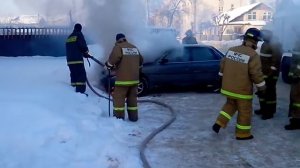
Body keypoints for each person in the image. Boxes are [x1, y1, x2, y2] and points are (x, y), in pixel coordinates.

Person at [212, 28, 266, 140]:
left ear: (245, 38)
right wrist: (262, 88)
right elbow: (256, 74)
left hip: (228, 88)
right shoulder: (253, 55)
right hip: (243, 91)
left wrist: (220, 80)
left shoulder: (231, 50)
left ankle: (219, 123)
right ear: (255, 41)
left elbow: (222, 67)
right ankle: (243, 134)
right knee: (245, 111)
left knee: (230, 105)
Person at [105, 33, 143, 122]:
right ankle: (133, 118)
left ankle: (119, 119)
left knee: (119, 99)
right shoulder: (134, 47)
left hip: (123, 80)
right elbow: (141, 61)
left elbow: (112, 60)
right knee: (132, 100)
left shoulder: (118, 47)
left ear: (117, 40)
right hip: (134, 80)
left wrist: (108, 65)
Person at [254, 29, 283, 120]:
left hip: (271, 75)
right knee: (262, 92)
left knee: (269, 93)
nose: (262, 37)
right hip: (264, 73)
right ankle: (263, 109)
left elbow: (276, 61)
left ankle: (269, 112)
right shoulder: (265, 44)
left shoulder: (275, 45)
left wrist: (270, 74)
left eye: (264, 36)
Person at [65, 23, 91, 95]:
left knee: (74, 74)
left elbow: (73, 47)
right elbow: (82, 45)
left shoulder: (69, 37)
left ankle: (73, 90)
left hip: (70, 60)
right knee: (81, 75)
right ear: (80, 29)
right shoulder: (79, 35)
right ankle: (80, 92)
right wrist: (85, 52)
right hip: (77, 60)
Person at [285, 38, 300, 130]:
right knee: (295, 99)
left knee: (297, 99)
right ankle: (295, 118)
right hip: (296, 77)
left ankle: (297, 121)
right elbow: (294, 62)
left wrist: (297, 75)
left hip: (298, 78)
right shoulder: (297, 43)